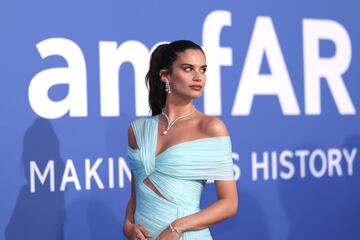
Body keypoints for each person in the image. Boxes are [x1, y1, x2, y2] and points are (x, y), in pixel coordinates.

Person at [123, 40, 238, 240]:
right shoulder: (138, 129)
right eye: (188, 69)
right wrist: (128, 226)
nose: (198, 77)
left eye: (203, 70)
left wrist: (178, 227)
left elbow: (229, 203)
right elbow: (135, 197)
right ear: (165, 76)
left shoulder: (211, 128)